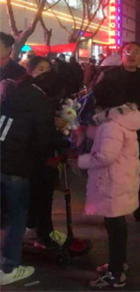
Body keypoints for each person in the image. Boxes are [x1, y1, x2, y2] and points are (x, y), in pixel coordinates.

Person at [78, 78, 140, 288]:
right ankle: (119, 264)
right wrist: (85, 132)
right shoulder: (122, 118)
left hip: (113, 182)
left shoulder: (112, 125)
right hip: (121, 179)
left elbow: (106, 156)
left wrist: (82, 160)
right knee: (117, 227)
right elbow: (105, 136)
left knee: (114, 228)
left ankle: (115, 274)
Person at [0, 72, 58, 285]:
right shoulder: (40, 104)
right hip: (16, 167)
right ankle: (9, 267)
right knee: (17, 217)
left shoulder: (10, 97)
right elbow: (43, 142)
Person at [94, 42, 140, 224]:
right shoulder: (109, 75)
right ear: (121, 54)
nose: (132, 55)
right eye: (128, 51)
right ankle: (113, 211)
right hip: (116, 130)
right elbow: (97, 99)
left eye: (136, 52)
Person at [24, 58, 68, 250]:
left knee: (42, 194)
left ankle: (40, 230)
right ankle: (42, 234)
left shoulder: (43, 95)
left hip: (42, 153)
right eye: (40, 69)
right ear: (30, 71)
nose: (45, 73)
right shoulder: (31, 96)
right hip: (34, 154)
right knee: (40, 193)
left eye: (48, 69)